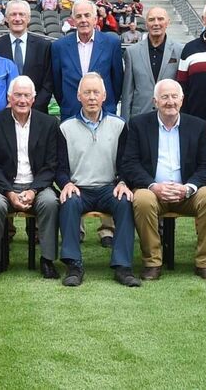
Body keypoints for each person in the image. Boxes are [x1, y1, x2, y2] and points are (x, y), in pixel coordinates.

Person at [122, 79, 206, 281]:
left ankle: (205, 263)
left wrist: (188, 188)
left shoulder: (197, 126)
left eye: (174, 96)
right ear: (155, 101)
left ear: (182, 100)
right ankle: (152, 263)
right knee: (141, 199)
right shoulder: (139, 124)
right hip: (153, 192)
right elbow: (130, 163)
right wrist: (153, 186)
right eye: (164, 97)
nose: (170, 102)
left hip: (186, 193)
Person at [56, 73, 141, 287]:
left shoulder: (119, 125)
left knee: (125, 202)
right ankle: (74, 265)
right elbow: (59, 167)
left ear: (104, 96)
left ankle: (122, 267)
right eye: (87, 92)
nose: (92, 97)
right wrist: (66, 182)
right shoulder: (65, 128)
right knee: (68, 202)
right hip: (79, 188)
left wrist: (123, 181)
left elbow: (127, 162)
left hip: (109, 188)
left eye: (96, 92)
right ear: (78, 96)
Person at [0, 76, 60, 280]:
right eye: (17, 95)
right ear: (9, 97)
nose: (22, 100)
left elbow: (51, 166)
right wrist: (9, 192)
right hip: (2, 186)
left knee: (51, 202)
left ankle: (48, 260)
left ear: (34, 98)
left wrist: (33, 190)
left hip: (37, 185)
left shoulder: (49, 123)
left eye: (26, 95)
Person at [51, 0, 123, 120]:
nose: (83, 20)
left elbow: (117, 81)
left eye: (87, 15)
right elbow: (57, 84)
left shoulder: (111, 44)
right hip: (71, 115)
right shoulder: (59, 47)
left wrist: (108, 104)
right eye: (78, 16)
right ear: (73, 21)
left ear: (95, 19)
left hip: (104, 114)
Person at [122, 7, 185, 118]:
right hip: (140, 118)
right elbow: (127, 92)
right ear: (146, 24)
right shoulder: (132, 52)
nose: (156, 23)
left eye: (160, 19)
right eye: (151, 20)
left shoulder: (180, 50)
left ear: (168, 22)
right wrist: (125, 123)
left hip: (171, 118)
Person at [0, 0, 53, 112]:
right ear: (6, 18)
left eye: (22, 14)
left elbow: (48, 83)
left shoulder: (44, 46)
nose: (17, 19)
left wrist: (31, 107)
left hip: (36, 112)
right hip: (3, 114)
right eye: (13, 14)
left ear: (29, 18)